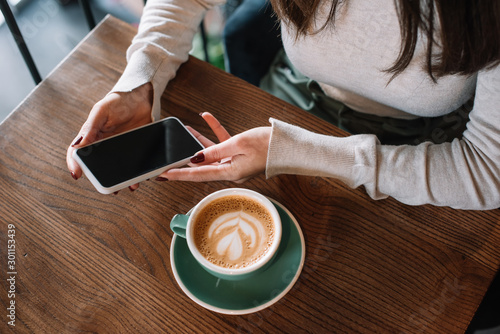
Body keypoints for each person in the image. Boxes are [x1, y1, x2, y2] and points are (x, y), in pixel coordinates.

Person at [67, 0, 500, 210]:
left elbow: (488, 170)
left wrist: (297, 151)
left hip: (424, 143)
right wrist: (141, 79)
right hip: (290, 97)